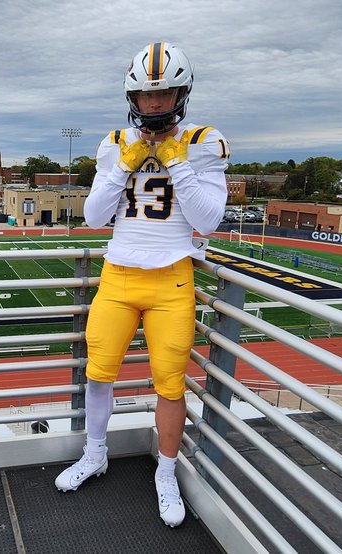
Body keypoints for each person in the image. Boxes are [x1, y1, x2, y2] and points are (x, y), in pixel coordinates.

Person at [55, 42, 229, 528]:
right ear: (132, 96)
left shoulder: (203, 139)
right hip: (117, 276)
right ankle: (95, 454)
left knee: (171, 384)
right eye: (146, 95)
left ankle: (167, 473)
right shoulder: (114, 141)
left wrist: (176, 162)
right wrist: (123, 165)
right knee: (98, 372)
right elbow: (92, 217)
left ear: (181, 93)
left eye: (164, 93)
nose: (154, 103)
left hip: (172, 277)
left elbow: (208, 221)